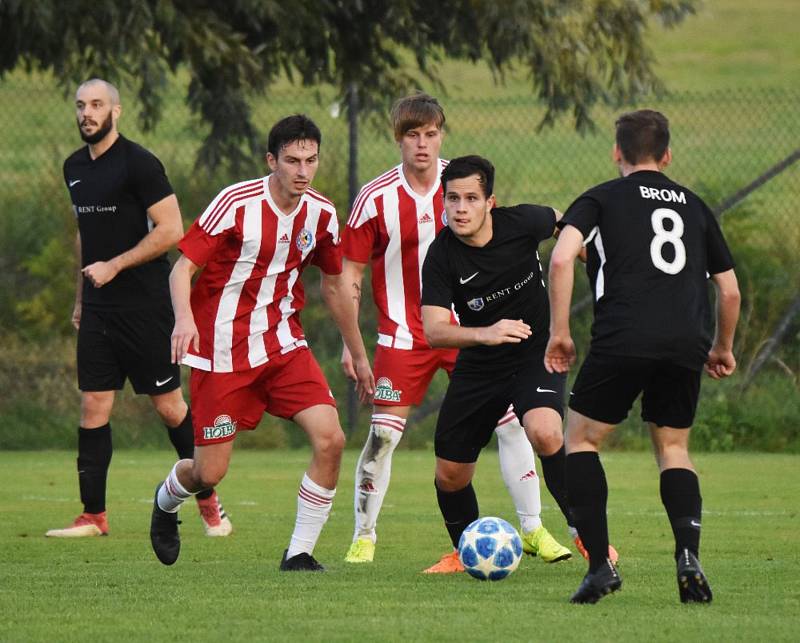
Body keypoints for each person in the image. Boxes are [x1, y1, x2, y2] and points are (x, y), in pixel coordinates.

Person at [341, 94, 571, 570]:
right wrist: (353, 346)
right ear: (398, 139)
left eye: (430, 133)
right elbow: (351, 277)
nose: (422, 144)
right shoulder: (375, 198)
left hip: (475, 331)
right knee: (384, 435)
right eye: (412, 134)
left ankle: (533, 530)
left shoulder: (462, 181)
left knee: (514, 424)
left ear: (441, 135)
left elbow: (538, 231)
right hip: (407, 333)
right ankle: (364, 536)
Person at [149, 114, 375, 570]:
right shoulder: (235, 203)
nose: (303, 171)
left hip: (282, 346)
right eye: (292, 160)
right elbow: (181, 270)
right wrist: (183, 321)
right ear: (272, 160)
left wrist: (356, 350)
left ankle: (299, 554)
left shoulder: (323, 214)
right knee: (208, 472)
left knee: (330, 438)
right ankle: (166, 500)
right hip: (220, 353)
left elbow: (334, 287)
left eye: (310, 160)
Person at [545, 109, 740, 604]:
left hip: (624, 335)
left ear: (617, 153)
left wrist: (560, 332)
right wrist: (721, 346)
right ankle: (688, 556)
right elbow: (730, 290)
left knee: (583, 441)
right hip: (686, 340)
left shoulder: (601, 198)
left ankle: (598, 569)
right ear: (667, 155)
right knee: (673, 448)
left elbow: (563, 256)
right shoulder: (694, 205)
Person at [47, 78, 232, 539]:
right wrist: (80, 296)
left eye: (95, 105)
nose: (86, 113)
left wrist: (116, 265)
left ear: (116, 111)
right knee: (93, 405)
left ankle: (210, 504)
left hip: (146, 308)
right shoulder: (74, 167)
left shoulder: (139, 163)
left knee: (170, 408)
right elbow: (82, 237)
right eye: (80, 106)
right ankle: (93, 516)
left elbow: (172, 230)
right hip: (98, 308)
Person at [419, 155, 578, 573]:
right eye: (452, 198)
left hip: (534, 354)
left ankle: (588, 536)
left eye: (471, 198)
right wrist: (485, 333)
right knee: (450, 474)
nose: (461, 208)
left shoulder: (523, 222)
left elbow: (566, 224)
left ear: (491, 202)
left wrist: (591, 258)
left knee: (545, 431)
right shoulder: (441, 255)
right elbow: (434, 330)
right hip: (480, 365)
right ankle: (467, 551)